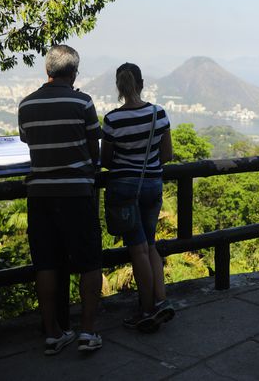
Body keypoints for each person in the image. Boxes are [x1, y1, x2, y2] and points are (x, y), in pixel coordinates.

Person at [17, 44, 104, 354]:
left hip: (39, 195)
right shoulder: (83, 102)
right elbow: (94, 150)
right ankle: (88, 332)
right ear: (74, 73)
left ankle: (53, 332)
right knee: (89, 261)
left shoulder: (26, 105)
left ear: (47, 71)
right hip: (76, 193)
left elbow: (28, 140)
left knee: (46, 263)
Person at [101, 62, 175, 332]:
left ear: (119, 88)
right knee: (150, 245)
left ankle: (146, 309)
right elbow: (167, 155)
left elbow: (106, 160)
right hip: (152, 184)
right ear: (142, 84)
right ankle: (161, 300)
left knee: (137, 248)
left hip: (124, 190)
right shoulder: (159, 113)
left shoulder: (112, 120)